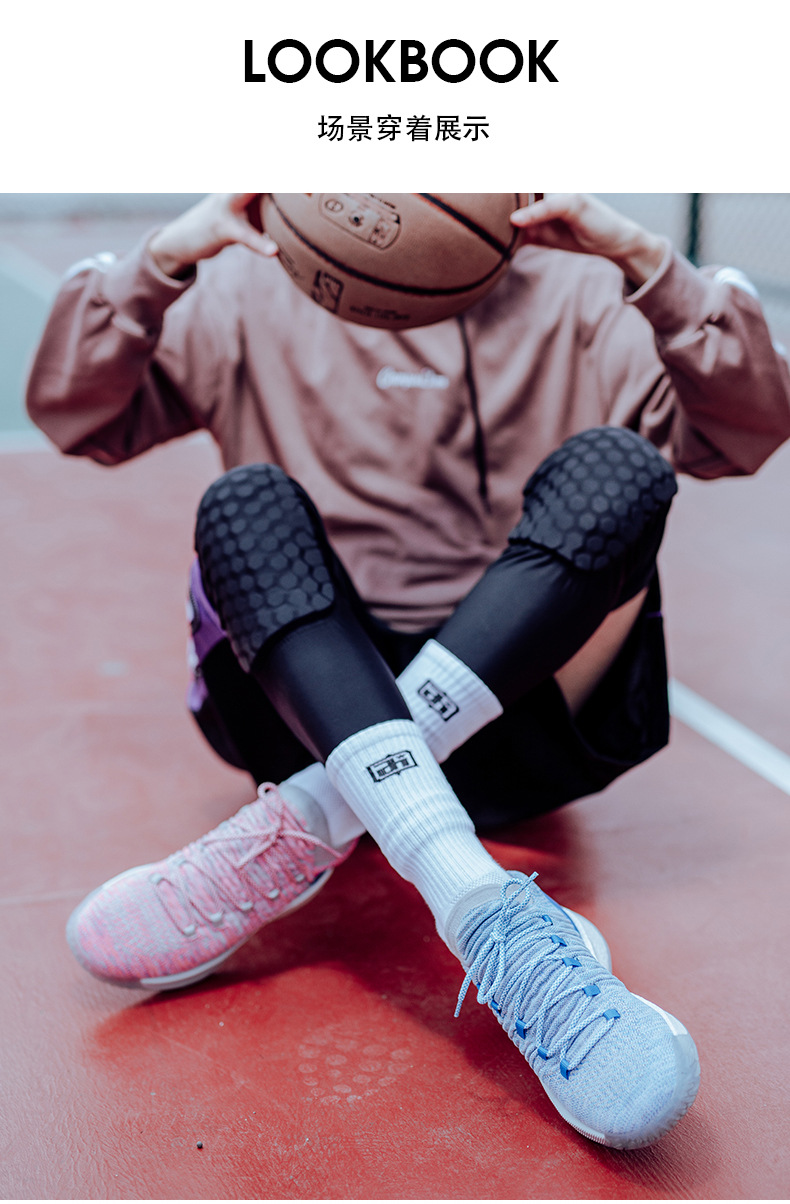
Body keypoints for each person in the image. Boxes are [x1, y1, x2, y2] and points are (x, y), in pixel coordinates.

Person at [26, 193, 790, 1150]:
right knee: (244, 503)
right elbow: (79, 415)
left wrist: (640, 256)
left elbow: (748, 429)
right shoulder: (255, 284)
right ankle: (478, 901)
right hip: (303, 704)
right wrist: (168, 256)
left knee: (622, 470)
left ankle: (315, 816)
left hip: (514, 720)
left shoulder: (580, 293)